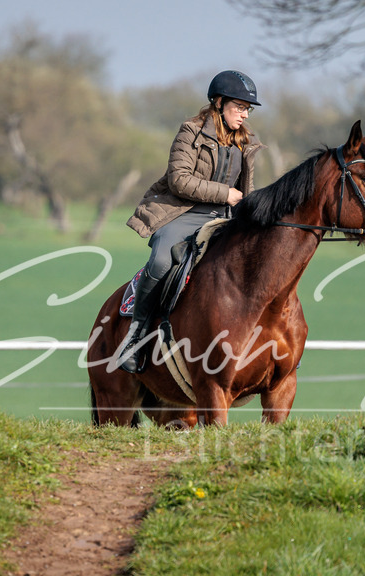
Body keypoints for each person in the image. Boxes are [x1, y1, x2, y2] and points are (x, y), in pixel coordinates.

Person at [117, 70, 264, 373]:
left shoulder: (247, 141)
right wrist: (227, 194)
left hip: (226, 217)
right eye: (240, 107)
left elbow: (245, 190)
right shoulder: (190, 132)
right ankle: (135, 335)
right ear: (219, 102)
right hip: (185, 213)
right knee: (159, 262)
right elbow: (179, 181)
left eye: (247, 109)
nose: (245, 115)